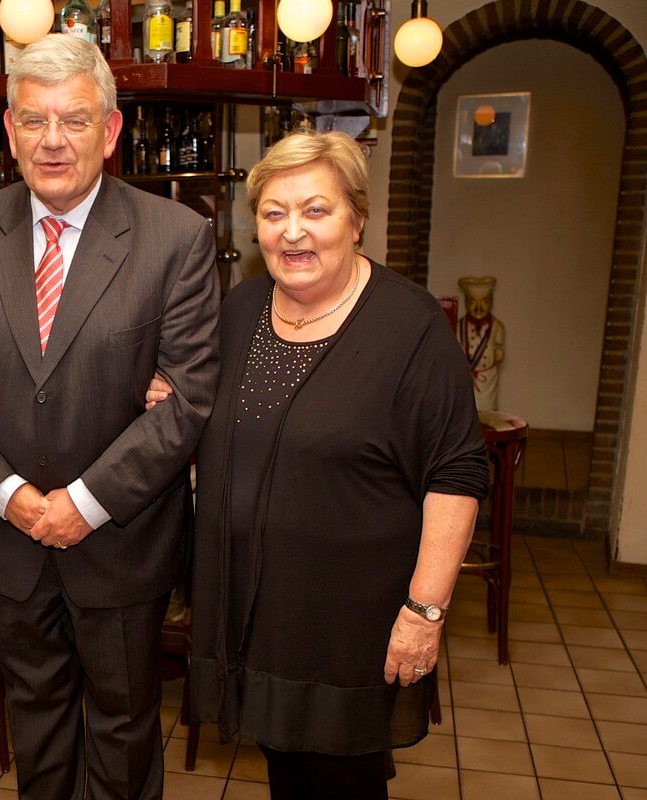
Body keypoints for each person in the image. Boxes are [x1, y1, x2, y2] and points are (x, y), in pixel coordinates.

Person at [0, 34, 220, 800]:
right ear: (9, 131)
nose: (53, 140)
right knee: (36, 723)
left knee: (121, 730)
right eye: (34, 120)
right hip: (7, 542)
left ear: (111, 131)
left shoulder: (175, 238)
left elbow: (186, 398)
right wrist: (10, 496)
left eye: (75, 120)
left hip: (118, 539)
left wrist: (81, 506)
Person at [187, 130, 490, 799]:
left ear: (356, 219)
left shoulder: (407, 327)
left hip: (350, 624)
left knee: (340, 783)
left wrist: (424, 611)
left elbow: (456, 473)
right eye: (272, 213)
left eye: (315, 210)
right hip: (253, 611)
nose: (291, 232)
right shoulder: (238, 312)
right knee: (288, 777)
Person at [457, 275, 506, 410]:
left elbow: (499, 353)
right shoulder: (458, 326)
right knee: (465, 410)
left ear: (491, 302)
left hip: (487, 380)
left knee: (487, 413)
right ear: (466, 302)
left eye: (484, 301)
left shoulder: (497, 327)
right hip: (466, 378)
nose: (478, 307)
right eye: (472, 301)